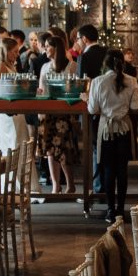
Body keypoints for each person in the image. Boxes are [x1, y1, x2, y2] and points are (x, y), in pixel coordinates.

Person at [87, 50, 138, 222]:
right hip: (124, 128)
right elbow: (135, 107)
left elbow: (92, 109)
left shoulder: (98, 81)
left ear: (105, 64)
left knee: (108, 170)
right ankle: (120, 210)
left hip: (106, 130)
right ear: (122, 63)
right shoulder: (132, 81)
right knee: (122, 170)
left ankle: (110, 210)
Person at [37, 30, 80, 195]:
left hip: (64, 112)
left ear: (57, 48)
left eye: (48, 46)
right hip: (47, 112)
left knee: (64, 149)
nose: (45, 49)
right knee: (49, 150)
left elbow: (77, 89)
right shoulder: (44, 67)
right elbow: (41, 89)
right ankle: (55, 185)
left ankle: (70, 184)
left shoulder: (72, 66)